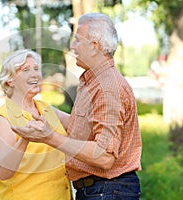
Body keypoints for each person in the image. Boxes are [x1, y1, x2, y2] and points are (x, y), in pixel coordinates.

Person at [12, 13, 142, 200]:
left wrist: (49, 137)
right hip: (99, 190)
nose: (72, 46)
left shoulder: (108, 88)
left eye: (77, 40)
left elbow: (104, 156)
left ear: (94, 46)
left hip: (107, 190)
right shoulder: (94, 81)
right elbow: (81, 126)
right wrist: (42, 108)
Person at [0, 49, 71, 200]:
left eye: (36, 68)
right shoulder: (3, 118)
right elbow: (2, 172)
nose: (35, 74)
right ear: (10, 80)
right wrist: (25, 139)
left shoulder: (46, 108)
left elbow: (79, 126)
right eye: (25, 70)